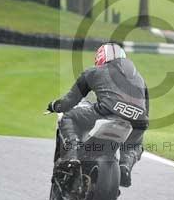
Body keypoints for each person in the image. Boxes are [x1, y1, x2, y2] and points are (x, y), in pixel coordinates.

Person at [46, 42, 149, 187]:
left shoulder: (94, 72)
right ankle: (125, 166)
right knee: (135, 145)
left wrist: (55, 106)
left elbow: (69, 102)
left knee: (68, 116)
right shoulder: (140, 79)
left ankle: (71, 156)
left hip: (107, 112)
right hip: (138, 120)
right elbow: (146, 110)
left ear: (101, 57)